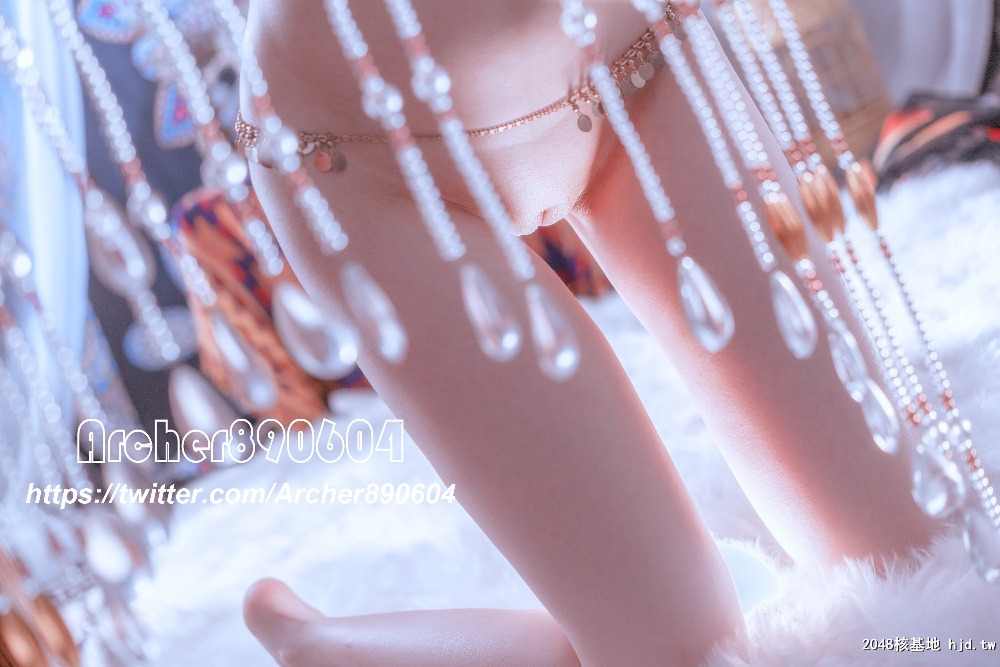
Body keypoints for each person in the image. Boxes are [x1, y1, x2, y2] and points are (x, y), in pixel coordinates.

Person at [237, 1, 940, 664]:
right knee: (680, 652)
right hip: (361, 156)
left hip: (633, 59)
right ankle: (321, 645)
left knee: (907, 555)